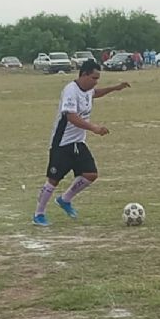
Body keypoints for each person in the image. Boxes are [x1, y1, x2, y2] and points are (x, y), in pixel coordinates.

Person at [33, 60, 131, 226]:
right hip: (62, 143)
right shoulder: (70, 91)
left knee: (90, 174)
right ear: (84, 74)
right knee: (53, 180)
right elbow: (71, 117)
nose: (96, 81)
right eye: (94, 77)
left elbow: (96, 93)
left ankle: (65, 200)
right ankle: (38, 214)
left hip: (78, 143)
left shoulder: (87, 89)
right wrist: (93, 128)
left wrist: (115, 88)